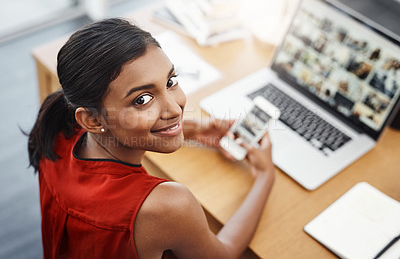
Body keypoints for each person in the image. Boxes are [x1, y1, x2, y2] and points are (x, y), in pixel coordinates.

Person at [27, 18, 275, 259]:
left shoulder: (59, 124)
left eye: (170, 81)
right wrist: (265, 177)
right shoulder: (167, 206)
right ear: (92, 120)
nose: (175, 110)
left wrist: (195, 129)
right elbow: (224, 253)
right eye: (142, 99)